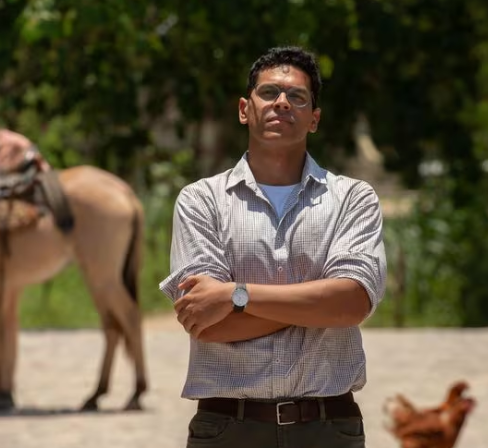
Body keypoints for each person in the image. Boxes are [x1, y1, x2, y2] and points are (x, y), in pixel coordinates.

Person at [159, 46, 387, 448]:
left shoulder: (354, 198)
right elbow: (207, 324)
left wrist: (235, 294)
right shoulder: (201, 200)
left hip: (328, 427)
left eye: (297, 97)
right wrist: (319, 306)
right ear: (245, 109)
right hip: (228, 428)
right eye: (269, 93)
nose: (282, 102)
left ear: (314, 119)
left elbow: (352, 304)